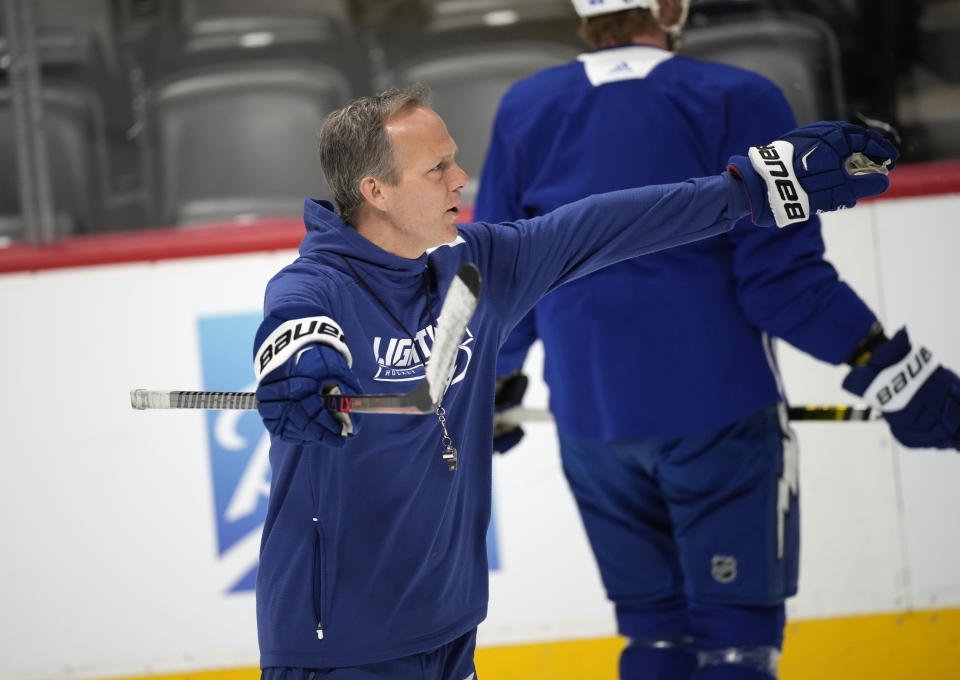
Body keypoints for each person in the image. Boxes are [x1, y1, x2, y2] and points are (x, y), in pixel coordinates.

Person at [250, 81, 896, 679]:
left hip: (448, 632)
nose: (461, 178)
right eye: (437, 168)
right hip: (333, 648)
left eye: (454, 159)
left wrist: (752, 188)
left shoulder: (476, 269)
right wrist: (303, 377)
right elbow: (298, 334)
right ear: (376, 191)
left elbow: (607, 224)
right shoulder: (317, 287)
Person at [474, 2, 960, 679]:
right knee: (736, 647)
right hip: (720, 416)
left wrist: (491, 388)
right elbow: (782, 283)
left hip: (592, 429)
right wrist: (892, 368)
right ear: (670, 7)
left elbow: (504, 271)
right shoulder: (739, 96)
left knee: (654, 642)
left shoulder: (525, 107)